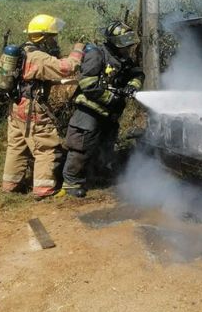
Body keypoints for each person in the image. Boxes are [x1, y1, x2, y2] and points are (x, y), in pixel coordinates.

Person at [1, 14, 85, 198]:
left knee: (17, 145)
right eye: (53, 37)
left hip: (15, 106)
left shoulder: (20, 51)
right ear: (44, 38)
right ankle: (43, 189)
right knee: (46, 147)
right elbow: (67, 67)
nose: (55, 41)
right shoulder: (38, 57)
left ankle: (10, 184)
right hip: (32, 108)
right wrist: (78, 50)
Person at [62, 21, 144, 198]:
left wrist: (132, 85)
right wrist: (111, 97)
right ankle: (71, 183)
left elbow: (138, 74)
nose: (127, 48)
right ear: (113, 42)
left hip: (109, 114)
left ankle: (99, 175)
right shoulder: (96, 54)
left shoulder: (123, 59)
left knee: (105, 145)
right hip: (89, 111)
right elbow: (87, 83)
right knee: (80, 147)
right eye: (124, 44)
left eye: (128, 44)